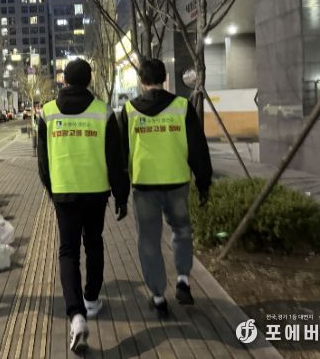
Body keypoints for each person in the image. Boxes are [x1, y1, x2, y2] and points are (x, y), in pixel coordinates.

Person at [37, 58, 129, 353]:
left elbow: (42, 161)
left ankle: (76, 316)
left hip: (64, 192)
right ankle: (91, 299)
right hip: (96, 192)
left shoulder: (48, 112)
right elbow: (115, 159)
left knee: (68, 251)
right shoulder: (103, 111)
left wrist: (52, 189)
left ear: (64, 80)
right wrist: (121, 195)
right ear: (89, 80)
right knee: (94, 243)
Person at [119, 58, 212, 320]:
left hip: (144, 186)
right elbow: (198, 148)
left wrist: (121, 193)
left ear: (141, 81)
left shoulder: (129, 110)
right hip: (177, 183)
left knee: (149, 241)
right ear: (164, 79)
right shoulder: (182, 106)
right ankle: (183, 280)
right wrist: (204, 181)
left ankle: (159, 298)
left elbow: (121, 155)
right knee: (182, 230)